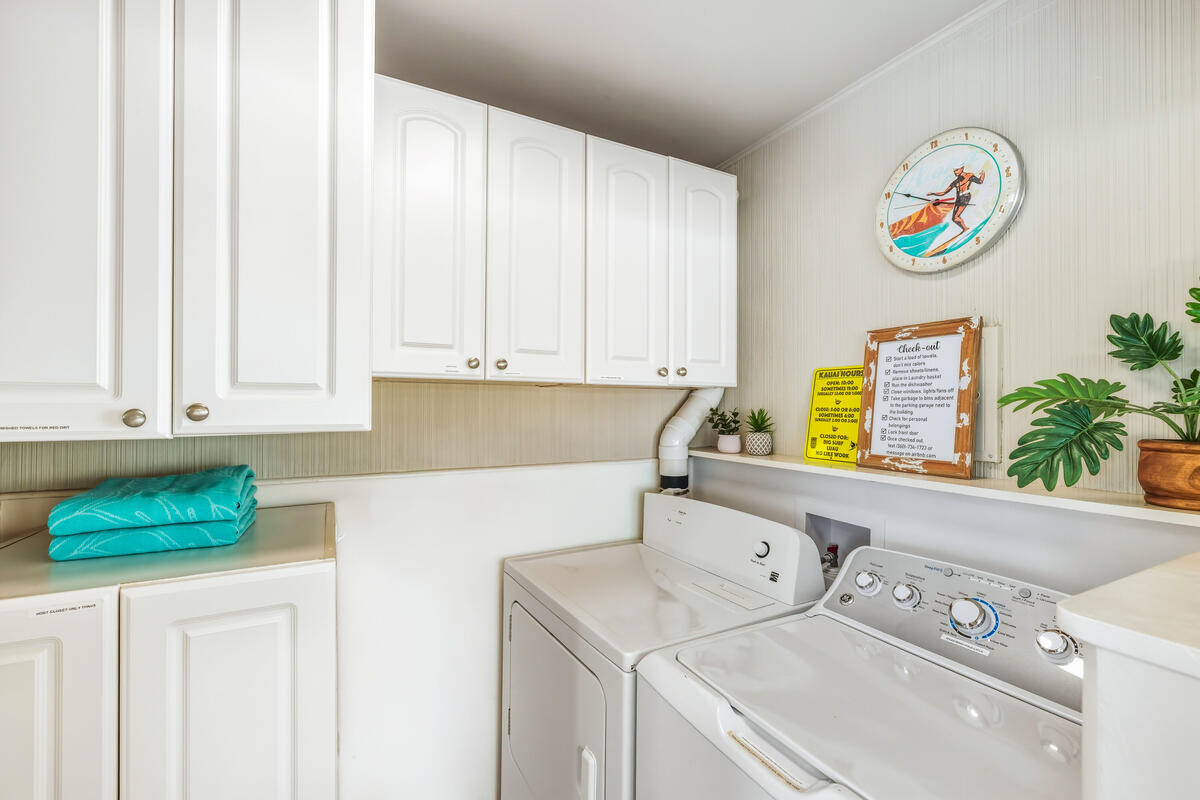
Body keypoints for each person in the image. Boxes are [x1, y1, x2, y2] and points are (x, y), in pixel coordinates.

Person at [928, 165, 985, 233]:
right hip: (959, 198)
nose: (955, 172)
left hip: (965, 197)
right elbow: (944, 192)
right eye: (954, 171)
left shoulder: (969, 175)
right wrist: (933, 193)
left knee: (955, 217)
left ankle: (966, 228)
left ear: (962, 168)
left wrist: (983, 174)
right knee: (954, 218)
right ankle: (965, 228)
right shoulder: (955, 182)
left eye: (957, 170)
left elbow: (980, 181)